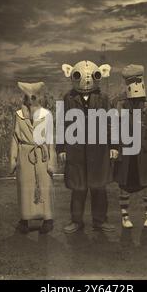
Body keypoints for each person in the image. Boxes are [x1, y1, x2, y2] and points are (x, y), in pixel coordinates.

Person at [58, 60, 118, 233]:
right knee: (78, 188)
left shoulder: (104, 98)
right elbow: (62, 124)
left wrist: (114, 145)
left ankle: (100, 220)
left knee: (99, 188)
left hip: (98, 150)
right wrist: (61, 148)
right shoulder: (68, 98)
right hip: (76, 150)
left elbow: (111, 123)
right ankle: (76, 221)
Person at [10, 82, 57, 234]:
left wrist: (51, 161)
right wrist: (13, 158)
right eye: (26, 97)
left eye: (32, 97)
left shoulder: (46, 115)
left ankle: (47, 219)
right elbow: (15, 138)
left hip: (41, 155)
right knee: (25, 187)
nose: (29, 101)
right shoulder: (18, 115)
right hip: (25, 155)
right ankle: (24, 220)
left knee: (44, 185)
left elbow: (50, 140)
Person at [113, 64, 147, 228]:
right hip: (126, 148)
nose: (135, 83)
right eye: (131, 80)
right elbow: (114, 126)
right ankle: (125, 216)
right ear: (126, 82)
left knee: (146, 182)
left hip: (144, 149)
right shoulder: (120, 103)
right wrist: (115, 147)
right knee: (125, 182)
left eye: (137, 79)